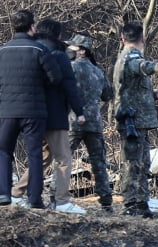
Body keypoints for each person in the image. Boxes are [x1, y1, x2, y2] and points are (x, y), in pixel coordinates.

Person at [11, 19, 87, 214]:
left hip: (32, 114)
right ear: (58, 35)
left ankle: (16, 192)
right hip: (55, 115)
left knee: (43, 157)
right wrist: (79, 112)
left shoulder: (32, 51)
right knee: (63, 158)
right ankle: (62, 201)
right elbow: (70, 86)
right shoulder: (59, 56)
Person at [0, 10, 61, 208]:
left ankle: (3, 194)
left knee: (3, 152)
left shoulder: (3, 51)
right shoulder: (39, 50)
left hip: (7, 110)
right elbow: (55, 78)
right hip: (34, 111)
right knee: (34, 154)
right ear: (32, 27)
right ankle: (35, 199)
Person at [113, 22, 158, 218]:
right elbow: (141, 66)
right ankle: (131, 205)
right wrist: (157, 67)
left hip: (137, 119)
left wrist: (154, 95)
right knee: (133, 163)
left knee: (142, 163)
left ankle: (141, 204)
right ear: (142, 39)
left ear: (122, 40)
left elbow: (131, 89)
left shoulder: (126, 57)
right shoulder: (131, 57)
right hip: (133, 121)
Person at [66, 34, 114, 213]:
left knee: (63, 159)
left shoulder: (70, 68)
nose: (69, 49)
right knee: (99, 163)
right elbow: (108, 95)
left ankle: (56, 195)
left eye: (73, 47)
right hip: (94, 122)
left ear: (82, 51)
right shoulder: (98, 71)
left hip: (73, 121)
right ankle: (106, 201)